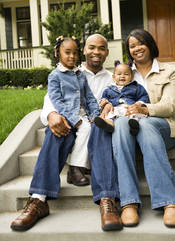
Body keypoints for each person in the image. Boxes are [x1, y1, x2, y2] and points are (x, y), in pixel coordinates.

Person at [11, 34, 122, 232]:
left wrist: (107, 110)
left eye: (102, 48)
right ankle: (38, 199)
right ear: (85, 51)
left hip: (94, 126)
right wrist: (52, 114)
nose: (96, 52)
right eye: (91, 47)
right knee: (56, 131)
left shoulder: (114, 78)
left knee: (102, 126)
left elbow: (123, 100)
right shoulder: (67, 73)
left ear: (106, 53)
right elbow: (51, 100)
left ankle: (107, 199)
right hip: (71, 122)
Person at [111, 29, 175, 228]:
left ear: (150, 44)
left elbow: (170, 105)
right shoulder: (124, 72)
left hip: (163, 128)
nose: (137, 48)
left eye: (140, 43)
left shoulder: (169, 71)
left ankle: (169, 201)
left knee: (146, 124)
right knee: (121, 124)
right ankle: (129, 202)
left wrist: (145, 109)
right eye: (132, 46)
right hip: (129, 131)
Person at [49, 35, 100, 186]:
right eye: (67, 52)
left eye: (75, 52)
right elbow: (57, 101)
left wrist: (95, 114)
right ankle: (74, 168)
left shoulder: (80, 74)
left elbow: (90, 98)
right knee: (85, 128)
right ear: (58, 53)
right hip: (68, 115)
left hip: (84, 113)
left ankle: (87, 166)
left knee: (94, 127)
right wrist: (73, 118)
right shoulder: (55, 76)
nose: (72, 56)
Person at [94, 60, 149, 135]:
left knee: (136, 113)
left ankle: (134, 123)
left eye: (126, 74)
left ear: (132, 77)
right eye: (119, 74)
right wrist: (103, 101)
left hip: (130, 107)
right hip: (116, 107)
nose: (122, 76)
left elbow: (144, 96)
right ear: (113, 77)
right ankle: (109, 123)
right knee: (111, 112)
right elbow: (104, 97)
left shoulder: (136, 87)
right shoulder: (110, 89)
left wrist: (139, 103)